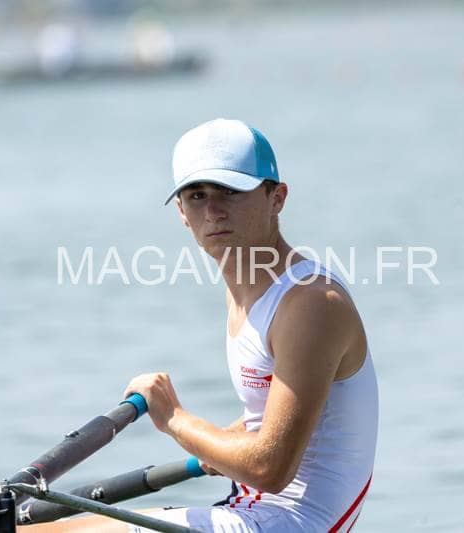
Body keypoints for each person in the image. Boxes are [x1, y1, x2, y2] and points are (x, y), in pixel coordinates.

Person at [26, 119, 379, 532]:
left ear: (277, 198)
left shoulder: (311, 304)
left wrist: (175, 419)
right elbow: (278, 421)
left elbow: (268, 468)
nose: (213, 212)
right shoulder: (248, 291)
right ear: (181, 212)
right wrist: (223, 444)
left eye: (231, 191)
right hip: (252, 510)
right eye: (197, 196)